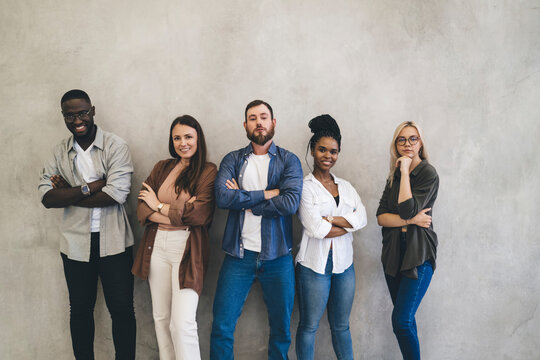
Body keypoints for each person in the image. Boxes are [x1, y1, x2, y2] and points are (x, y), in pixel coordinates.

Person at [38, 89, 136, 359]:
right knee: (80, 310)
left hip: (115, 243)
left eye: (82, 112)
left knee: (122, 310)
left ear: (92, 111)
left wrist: (67, 194)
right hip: (75, 245)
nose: (77, 119)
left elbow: (116, 194)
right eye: (70, 115)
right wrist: (89, 187)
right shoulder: (59, 151)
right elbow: (47, 197)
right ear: (63, 117)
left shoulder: (116, 146)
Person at [210, 100, 303, 360]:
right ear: (245, 125)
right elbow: (222, 198)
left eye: (264, 117)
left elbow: (290, 203)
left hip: (278, 257)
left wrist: (247, 201)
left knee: (282, 330)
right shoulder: (233, 159)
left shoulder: (289, 161)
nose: (258, 122)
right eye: (252, 118)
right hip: (239, 256)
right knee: (222, 326)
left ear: (273, 123)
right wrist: (267, 193)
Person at [132, 115, 217, 360]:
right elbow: (141, 210)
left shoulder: (208, 171)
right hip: (157, 245)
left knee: (182, 325)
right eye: (177, 138)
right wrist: (178, 211)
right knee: (162, 319)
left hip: (188, 248)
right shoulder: (162, 168)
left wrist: (157, 206)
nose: (183, 143)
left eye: (188, 137)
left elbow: (199, 215)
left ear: (198, 138)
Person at [295, 115, 367, 360]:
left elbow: (363, 217)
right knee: (309, 326)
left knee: (341, 326)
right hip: (314, 266)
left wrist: (332, 220)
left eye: (333, 151)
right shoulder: (304, 187)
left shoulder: (346, 186)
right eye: (322, 149)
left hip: (344, 266)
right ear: (313, 150)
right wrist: (349, 223)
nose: (328, 155)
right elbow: (315, 229)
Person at [376, 121, 439, 360]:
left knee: (400, 321)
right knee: (406, 320)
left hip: (418, 254)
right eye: (401, 140)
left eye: (413, 139)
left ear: (421, 143)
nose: (407, 144)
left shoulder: (427, 173)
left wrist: (404, 172)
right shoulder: (392, 176)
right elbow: (381, 217)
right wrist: (411, 221)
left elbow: (405, 208)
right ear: (395, 145)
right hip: (393, 254)